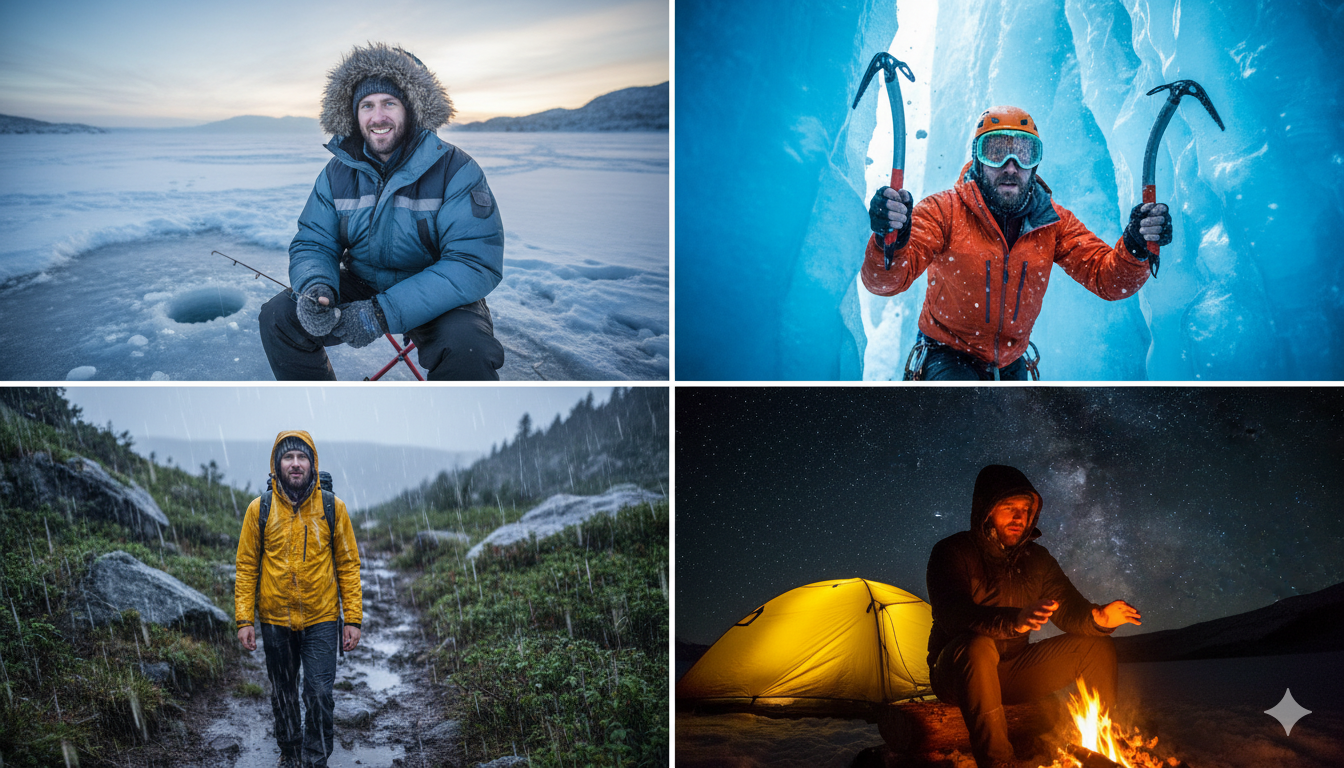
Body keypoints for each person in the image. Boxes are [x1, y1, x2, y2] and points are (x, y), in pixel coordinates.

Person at [863, 106, 1173, 380]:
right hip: (947, 357)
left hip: (1011, 363)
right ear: (978, 159)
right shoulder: (944, 211)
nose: (1011, 166)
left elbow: (1108, 280)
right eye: (996, 152)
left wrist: (1134, 247)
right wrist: (890, 240)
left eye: (1024, 154)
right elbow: (884, 282)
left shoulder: (1053, 222)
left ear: (1034, 165)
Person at [260, 43, 506, 380]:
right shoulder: (336, 174)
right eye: (367, 105)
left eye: (389, 103)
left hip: (439, 295)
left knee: (468, 349)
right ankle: (321, 413)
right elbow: (314, 242)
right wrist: (317, 287)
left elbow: (473, 262)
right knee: (279, 316)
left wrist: (380, 313)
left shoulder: (456, 169)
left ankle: (455, 428)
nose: (378, 117)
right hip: (364, 283)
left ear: (411, 109)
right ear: (353, 114)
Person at [925, 465, 1141, 768]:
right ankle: (1000, 763)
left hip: (1012, 670)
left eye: (1025, 510)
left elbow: (1068, 608)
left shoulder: (1037, 560)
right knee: (979, 647)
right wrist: (1013, 621)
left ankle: (1101, 746)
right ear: (986, 510)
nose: (1019, 517)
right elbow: (953, 613)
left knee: (1095, 646)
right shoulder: (952, 552)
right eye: (1009, 508)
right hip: (957, 672)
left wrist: (1098, 618)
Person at [235, 431, 364, 768]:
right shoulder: (259, 509)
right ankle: (290, 753)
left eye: (301, 457)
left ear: (313, 463)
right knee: (283, 693)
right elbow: (247, 565)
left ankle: (316, 758)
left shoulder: (332, 508)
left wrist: (352, 619)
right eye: (288, 457)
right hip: (275, 620)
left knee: (319, 694)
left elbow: (348, 565)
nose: (295, 464)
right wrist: (244, 619)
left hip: (321, 618)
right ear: (277, 464)